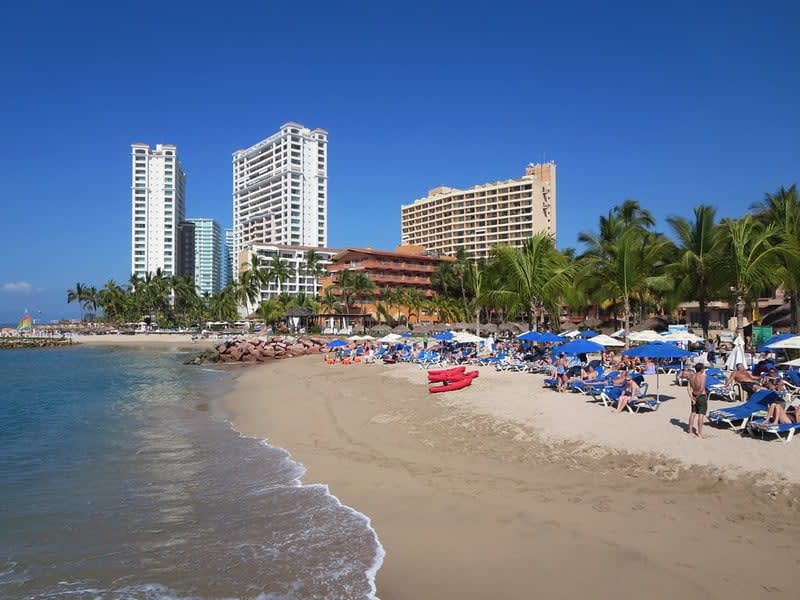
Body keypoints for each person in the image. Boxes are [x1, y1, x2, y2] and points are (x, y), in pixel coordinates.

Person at [688, 363, 707, 438]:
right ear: (702, 369)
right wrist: (697, 397)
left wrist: (692, 398)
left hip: (694, 395)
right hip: (701, 396)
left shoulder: (691, 376)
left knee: (693, 413)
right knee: (701, 415)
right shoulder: (703, 376)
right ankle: (699, 433)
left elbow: (688, 388)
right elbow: (702, 388)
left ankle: (690, 430)